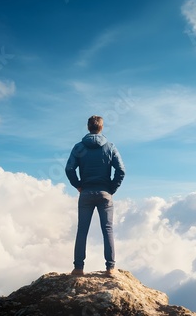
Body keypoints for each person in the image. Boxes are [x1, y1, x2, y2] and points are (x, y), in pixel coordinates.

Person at [65, 115, 125, 277]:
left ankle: (78, 268)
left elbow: (69, 169)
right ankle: (111, 268)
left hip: (85, 193)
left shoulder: (79, 147)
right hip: (105, 193)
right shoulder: (110, 147)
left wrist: (78, 185)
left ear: (88, 127)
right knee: (108, 230)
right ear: (101, 128)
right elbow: (121, 170)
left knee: (82, 230)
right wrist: (111, 188)